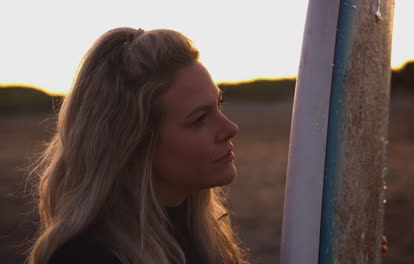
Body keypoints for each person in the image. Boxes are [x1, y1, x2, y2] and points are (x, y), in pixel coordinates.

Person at [27, 27, 250, 264]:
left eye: (219, 104)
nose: (230, 128)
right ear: (135, 144)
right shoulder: (86, 256)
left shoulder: (201, 238)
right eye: (199, 119)